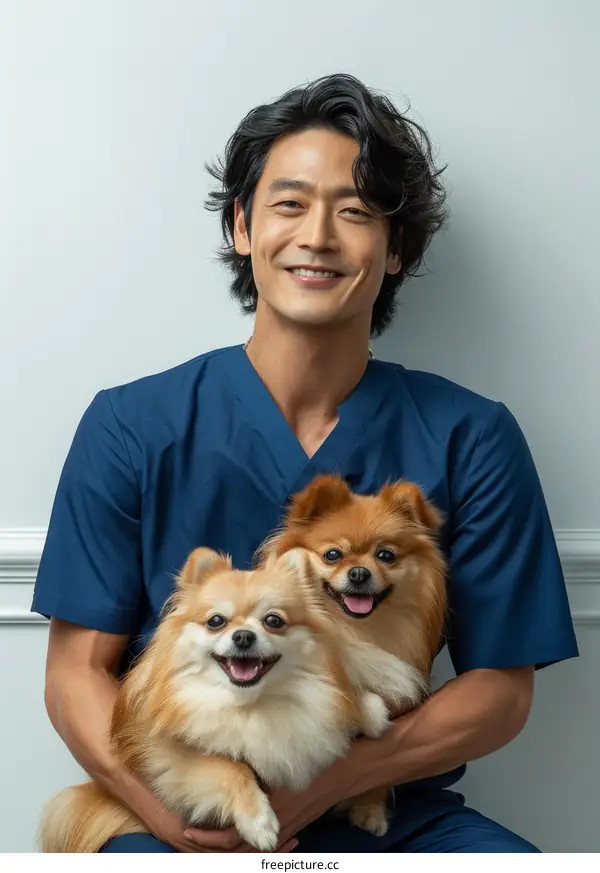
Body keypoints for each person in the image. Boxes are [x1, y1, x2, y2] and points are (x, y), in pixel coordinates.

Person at [32, 73, 578, 854]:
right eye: (289, 204)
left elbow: (502, 691)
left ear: (396, 251)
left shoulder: (473, 435)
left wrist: (324, 783)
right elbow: (74, 676)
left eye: (356, 212)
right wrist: (168, 819)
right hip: (178, 805)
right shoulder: (130, 425)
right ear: (242, 227)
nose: (318, 235)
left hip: (390, 811)